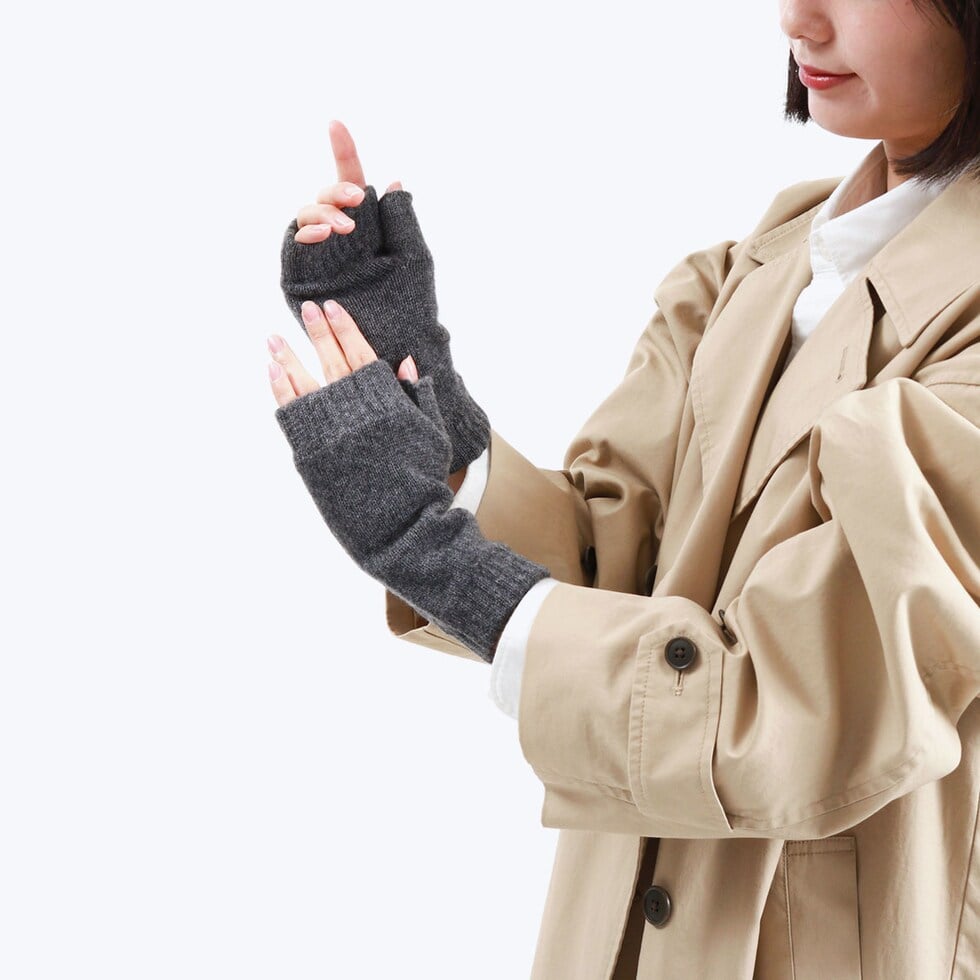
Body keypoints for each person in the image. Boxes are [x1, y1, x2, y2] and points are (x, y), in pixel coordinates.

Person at [265, 0, 980, 975]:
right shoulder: (764, 263)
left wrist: (425, 549)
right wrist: (425, 394)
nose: (798, 19)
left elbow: (778, 710)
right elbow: (617, 569)